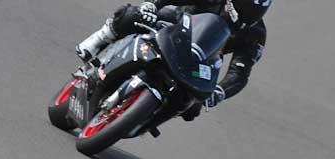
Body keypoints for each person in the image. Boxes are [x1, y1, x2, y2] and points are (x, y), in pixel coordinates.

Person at [75, 1, 269, 118]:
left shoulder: (255, 34)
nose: (247, 15)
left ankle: (141, 118)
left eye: (253, 13)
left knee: (192, 108)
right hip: (171, 28)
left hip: (196, 62)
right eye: (244, 7)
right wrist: (153, 4)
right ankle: (99, 39)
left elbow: (240, 73)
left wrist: (220, 92)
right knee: (134, 15)